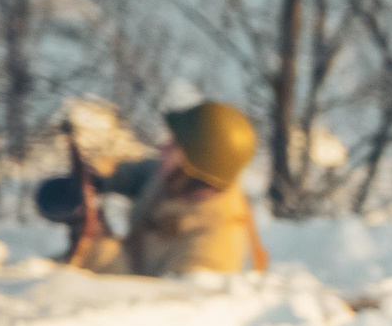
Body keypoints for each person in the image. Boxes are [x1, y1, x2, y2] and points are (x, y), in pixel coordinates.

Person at [36, 100, 268, 277]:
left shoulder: (212, 252)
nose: (162, 146)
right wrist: (97, 180)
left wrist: (98, 242)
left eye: (174, 144)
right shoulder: (178, 181)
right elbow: (137, 174)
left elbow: (154, 312)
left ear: (194, 167)